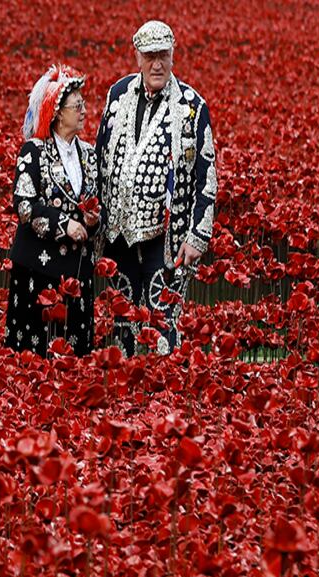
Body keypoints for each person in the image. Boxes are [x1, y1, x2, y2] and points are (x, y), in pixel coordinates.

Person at [96, 20, 216, 355]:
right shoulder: (117, 94)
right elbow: (100, 155)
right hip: (118, 235)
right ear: (138, 58)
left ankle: (164, 400)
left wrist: (198, 235)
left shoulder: (192, 106)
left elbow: (207, 175)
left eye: (163, 55)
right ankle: (127, 396)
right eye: (150, 56)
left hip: (168, 239)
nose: (157, 64)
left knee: (163, 320)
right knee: (122, 320)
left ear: (173, 55)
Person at [4, 64, 100, 357]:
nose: (84, 111)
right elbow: (24, 205)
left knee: (76, 353)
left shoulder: (89, 154)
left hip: (77, 272)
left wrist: (91, 219)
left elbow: (95, 200)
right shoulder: (33, 151)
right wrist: (65, 224)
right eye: (77, 106)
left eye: (83, 104)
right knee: (35, 354)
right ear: (58, 112)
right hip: (39, 270)